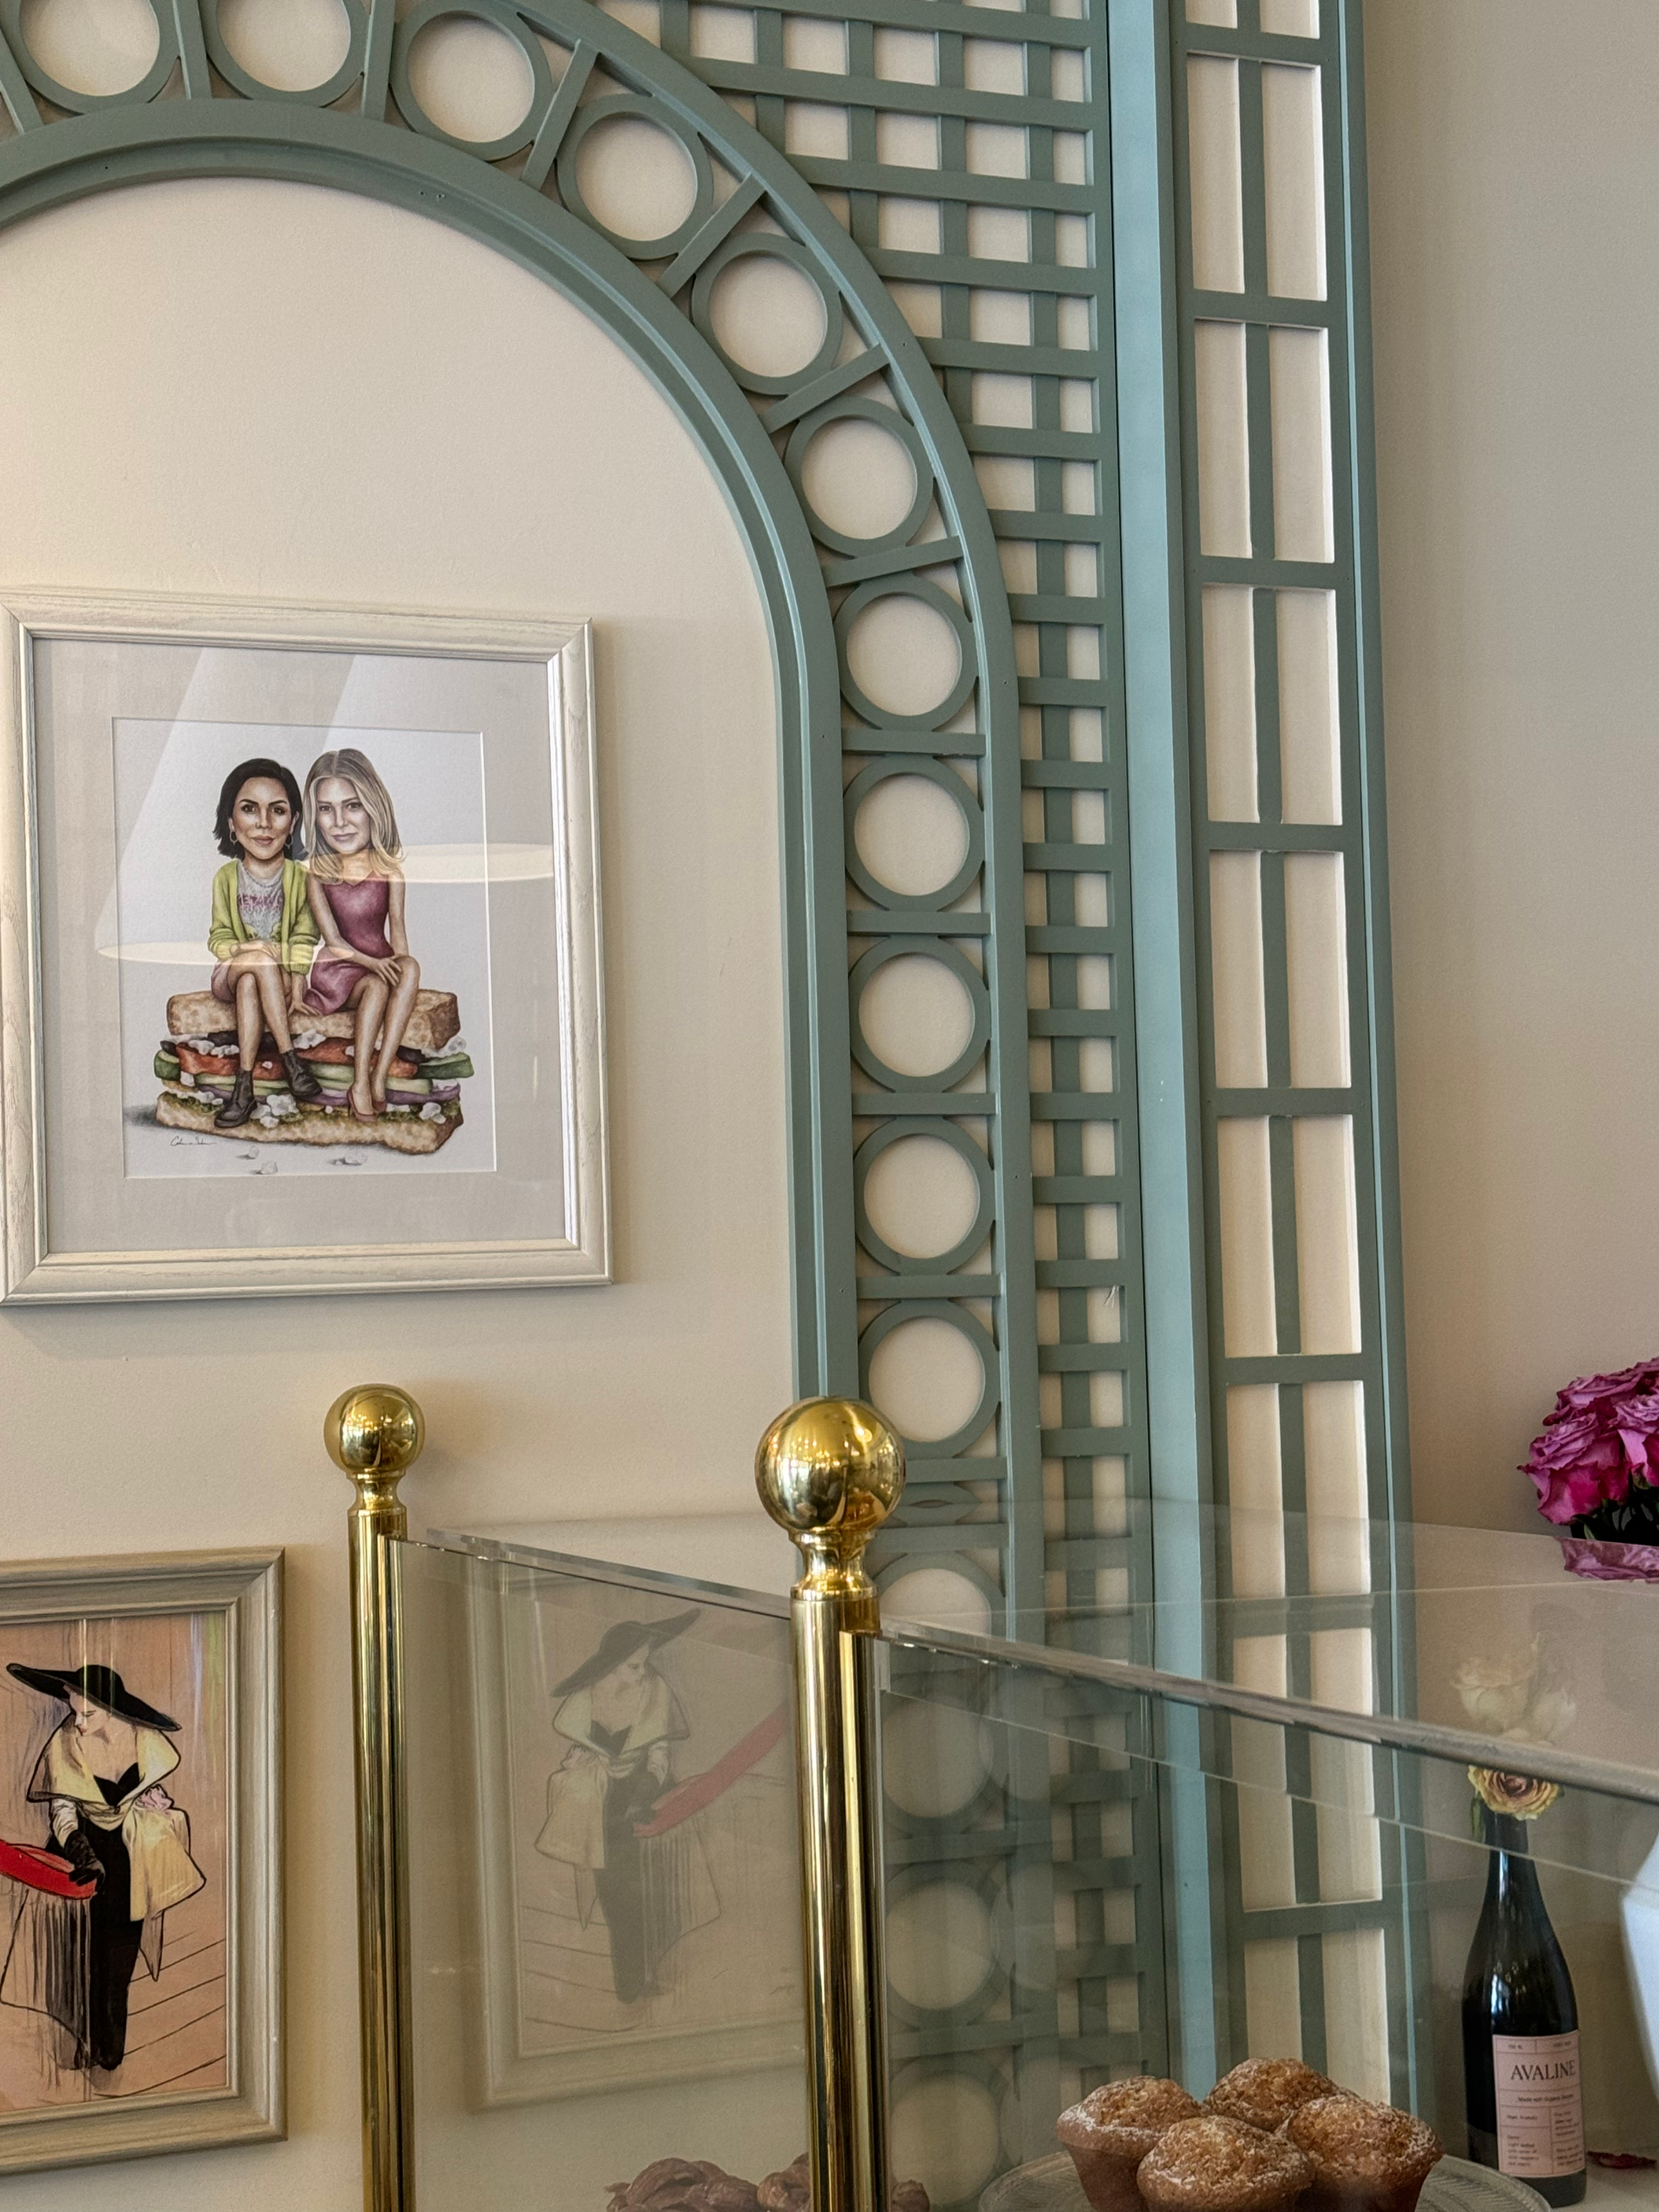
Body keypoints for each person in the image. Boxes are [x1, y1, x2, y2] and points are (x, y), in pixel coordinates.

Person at [0, 1663, 204, 2077]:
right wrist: (80, 1850)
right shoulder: (66, 1744)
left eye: (88, 1714)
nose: (77, 1722)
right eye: (74, 1711)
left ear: (112, 1711)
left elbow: (150, 1791)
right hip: (80, 1857)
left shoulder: (145, 1741)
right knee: (78, 1958)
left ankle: (110, 2049)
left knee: (118, 1960)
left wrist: (156, 1802)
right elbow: (62, 1810)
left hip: (130, 1860)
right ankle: (84, 2041)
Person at [534, 1611, 716, 2004]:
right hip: (601, 1805)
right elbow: (582, 1749)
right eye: (633, 1665)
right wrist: (584, 1765)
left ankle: (644, 1978)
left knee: (653, 1893)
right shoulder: (586, 1697)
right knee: (619, 1899)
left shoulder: (654, 1690)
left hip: (646, 1796)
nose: (640, 1673)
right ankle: (630, 1988)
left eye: (644, 1664)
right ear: (613, 1666)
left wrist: (647, 1788)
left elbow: (659, 1750)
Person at [300, 748, 421, 1123]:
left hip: (380, 961)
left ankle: (379, 1076)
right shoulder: (317, 873)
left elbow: (398, 932)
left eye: (352, 806)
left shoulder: (391, 873)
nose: (339, 822)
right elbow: (333, 941)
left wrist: (403, 972)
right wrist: (374, 964)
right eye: (325, 809)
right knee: (376, 987)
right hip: (340, 970)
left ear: (374, 808)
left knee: (411, 968)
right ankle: (359, 1085)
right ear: (314, 816)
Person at [206, 757, 322, 1130]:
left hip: (275, 979)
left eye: (278, 811)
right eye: (249, 810)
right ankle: (291, 1060)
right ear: (231, 823)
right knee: (253, 966)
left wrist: (296, 974)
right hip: (229, 972)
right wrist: (250, 952)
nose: (264, 823)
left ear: (293, 825)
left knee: (254, 982)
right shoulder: (226, 877)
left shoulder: (301, 878)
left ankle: (244, 1086)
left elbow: (307, 934)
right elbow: (219, 937)